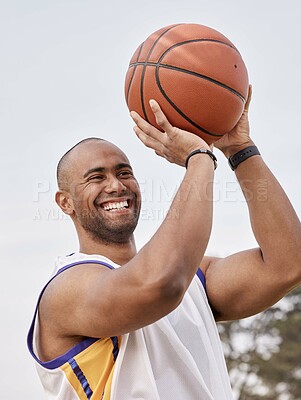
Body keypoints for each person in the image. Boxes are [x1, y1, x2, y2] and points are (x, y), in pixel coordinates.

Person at [27, 86, 301, 400]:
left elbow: (287, 263)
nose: (116, 185)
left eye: (124, 172)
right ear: (65, 202)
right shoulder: (66, 290)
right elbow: (162, 283)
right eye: (96, 177)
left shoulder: (194, 278)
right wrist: (199, 160)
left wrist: (240, 148)